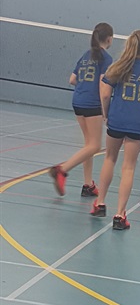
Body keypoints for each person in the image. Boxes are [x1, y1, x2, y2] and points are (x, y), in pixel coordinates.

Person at [90, 30, 140, 230]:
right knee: (128, 167)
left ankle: (100, 203)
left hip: (116, 120)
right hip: (136, 125)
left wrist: (106, 114)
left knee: (109, 159)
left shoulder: (118, 67)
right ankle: (119, 215)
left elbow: (105, 95)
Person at [49, 22, 114, 197]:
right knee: (95, 146)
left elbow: (72, 79)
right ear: (109, 39)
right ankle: (62, 170)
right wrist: (106, 112)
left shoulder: (86, 55)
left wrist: (84, 86)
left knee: (88, 145)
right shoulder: (106, 58)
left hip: (78, 101)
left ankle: (88, 185)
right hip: (92, 104)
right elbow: (103, 88)